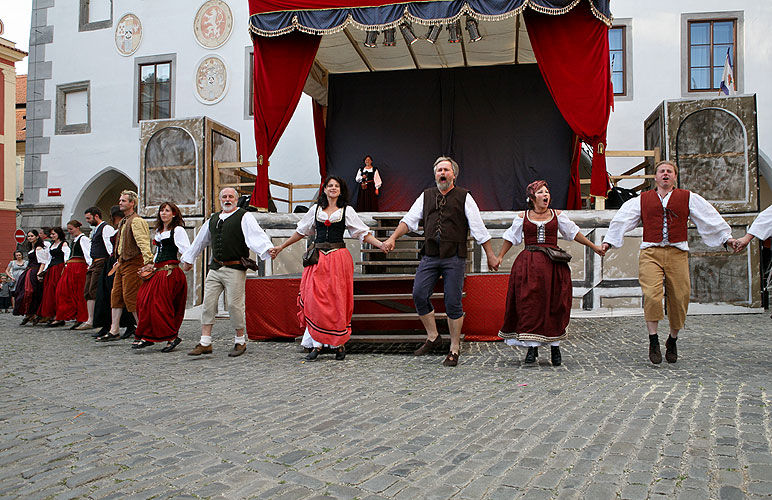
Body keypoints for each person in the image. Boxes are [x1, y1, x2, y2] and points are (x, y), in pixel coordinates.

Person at [601, 160, 736, 364]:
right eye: (661, 171)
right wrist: (609, 242)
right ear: (655, 177)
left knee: (680, 297)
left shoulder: (688, 198)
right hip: (651, 253)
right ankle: (653, 340)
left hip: (677, 252)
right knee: (652, 296)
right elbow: (623, 219)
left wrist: (726, 238)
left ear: (674, 177)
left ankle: (672, 339)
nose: (665, 174)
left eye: (669, 171)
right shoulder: (642, 199)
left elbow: (708, 217)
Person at [382, 156, 500, 367]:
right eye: (439, 170)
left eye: (446, 170)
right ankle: (433, 336)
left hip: (454, 256)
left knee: (453, 301)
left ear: (453, 174)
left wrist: (490, 254)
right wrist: (392, 238)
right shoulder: (426, 196)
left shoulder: (464, 196)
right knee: (419, 294)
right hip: (430, 255)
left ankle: (454, 348)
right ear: (435, 174)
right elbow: (409, 221)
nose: (442, 173)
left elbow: (478, 228)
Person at [269, 176, 385, 360]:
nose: (333, 188)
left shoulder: (347, 211)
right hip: (317, 259)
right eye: (330, 185)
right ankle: (317, 345)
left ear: (341, 190)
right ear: (324, 189)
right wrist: (281, 247)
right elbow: (300, 232)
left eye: (336, 186)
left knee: (337, 301)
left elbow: (362, 233)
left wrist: (381, 245)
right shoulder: (315, 211)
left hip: (338, 259)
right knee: (315, 300)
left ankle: (338, 345)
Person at [497, 180, 605, 366]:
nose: (545, 195)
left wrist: (594, 246)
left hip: (553, 266)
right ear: (532, 198)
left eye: (547, 192)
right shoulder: (523, 217)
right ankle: (532, 348)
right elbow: (510, 237)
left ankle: (555, 346)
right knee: (530, 304)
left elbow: (574, 233)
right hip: (528, 265)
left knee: (555, 304)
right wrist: (499, 257)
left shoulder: (558, 215)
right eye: (540, 192)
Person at [181, 187, 272, 357]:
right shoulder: (213, 219)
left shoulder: (243, 216)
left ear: (236, 200)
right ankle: (205, 342)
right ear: (220, 200)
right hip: (215, 268)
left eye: (231, 196)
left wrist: (267, 249)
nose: (227, 199)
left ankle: (240, 341)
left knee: (234, 305)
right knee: (208, 303)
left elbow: (255, 236)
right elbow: (200, 241)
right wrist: (189, 259)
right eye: (224, 197)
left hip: (235, 268)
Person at [133, 202, 190, 352]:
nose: (163, 213)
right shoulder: (159, 231)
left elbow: (185, 249)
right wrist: (151, 264)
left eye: (167, 211)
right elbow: (158, 252)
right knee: (143, 301)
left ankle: (171, 337)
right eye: (161, 211)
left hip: (170, 272)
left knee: (161, 305)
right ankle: (148, 335)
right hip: (158, 272)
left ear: (174, 214)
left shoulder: (177, 230)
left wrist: (187, 263)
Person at [96, 190, 152, 342]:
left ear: (132, 203)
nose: (120, 203)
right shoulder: (124, 221)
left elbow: (143, 242)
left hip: (134, 263)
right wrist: (118, 258)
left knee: (131, 297)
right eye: (120, 200)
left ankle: (142, 331)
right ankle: (114, 330)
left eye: (123, 201)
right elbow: (122, 243)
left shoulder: (136, 221)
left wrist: (148, 262)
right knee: (116, 296)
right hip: (122, 263)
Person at [91, 206, 136, 339]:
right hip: (112, 262)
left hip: (118, 262)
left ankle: (129, 326)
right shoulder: (117, 229)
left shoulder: (123, 227)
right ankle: (111, 326)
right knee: (108, 295)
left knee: (121, 295)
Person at [75, 206, 116, 331]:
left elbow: (110, 246)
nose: (87, 220)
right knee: (88, 291)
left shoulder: (106, 228)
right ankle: (90, 319)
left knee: (95, 290)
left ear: (96, 216)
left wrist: (111, 261)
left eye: (89, 218)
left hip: (101, 262)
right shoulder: (95, 230)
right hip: (94, 263)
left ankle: (96, 320)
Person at [50, 220, 92, 328]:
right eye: (68, 229)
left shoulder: (83, 239)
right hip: (71, 267)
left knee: (79, 293)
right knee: (63, 291)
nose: (69, 231)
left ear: (77, 228)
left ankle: (82, 317)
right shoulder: (75, 240)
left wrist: (89, 267)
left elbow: (88, 254)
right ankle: (70, 315)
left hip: (79, 268)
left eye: (71, 229)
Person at [14, 230, 49, 324]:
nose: (30, 238)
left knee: (32, 292)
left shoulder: (38, 248)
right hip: (29, 271)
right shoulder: (31, 248)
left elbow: (42, 262)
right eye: (28, 236)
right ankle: (29, 313)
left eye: (32, 236)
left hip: (35, 271)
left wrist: (39, 273)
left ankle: (33, 313)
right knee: (24, 292)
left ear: (37, 237)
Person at [37, 227, 69, 326]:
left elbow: (66, 258)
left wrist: (65, 269)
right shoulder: (51, 245)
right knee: (49, 293)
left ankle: (59, 317)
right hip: (51, 269)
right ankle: (53, 315)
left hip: (59, 268)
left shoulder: (64, 244)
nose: (52, 236)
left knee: (58, 293)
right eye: (51, 234)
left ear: (59, 234)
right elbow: (48, 259)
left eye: (54, 234)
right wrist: (44, 271)